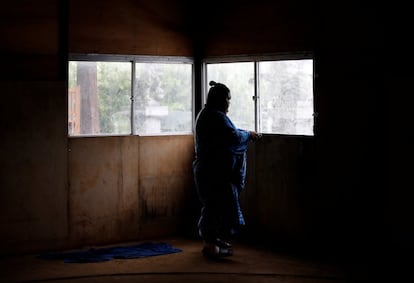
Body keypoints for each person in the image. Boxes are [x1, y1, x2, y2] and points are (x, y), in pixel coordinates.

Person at [193, 81, 261, 258]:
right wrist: (249, 135)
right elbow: (232, 136)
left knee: (213, 207)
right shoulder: (215, 117)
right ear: (221, 100)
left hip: (208, 171)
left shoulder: (207, 114)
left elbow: (229, 132)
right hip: (212, 173)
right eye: (228, 100)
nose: (229, 104)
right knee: (214, 207)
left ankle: (212, 241)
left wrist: (245, 133)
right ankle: (210, 244)